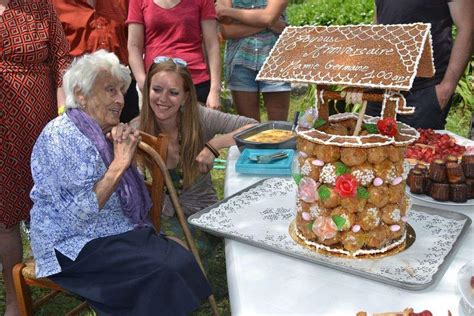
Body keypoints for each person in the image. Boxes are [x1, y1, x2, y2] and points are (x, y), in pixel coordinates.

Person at [29, 50, 211, 315]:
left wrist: (122, 150)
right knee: (159, 272)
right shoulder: (61, 137)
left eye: (121, 91)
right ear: (81, 94)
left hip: (113, 229)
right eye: (110, 90)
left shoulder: (101, 132)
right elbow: (77, 216)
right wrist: (119, 163)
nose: (119, 99)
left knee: (179, 259)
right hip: (71, 243)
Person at [135, 56, 256, 262]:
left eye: (173, 93)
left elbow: (254, 127)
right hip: (160, 213)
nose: (163, 99)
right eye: (156, 89)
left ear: (185, 97)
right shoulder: (138, 128)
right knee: (148, 255)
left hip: (200, 213)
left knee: (175, 257)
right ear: (147, 90)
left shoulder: (199, 118)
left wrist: (215, 145)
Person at [0, 0, 71, 314]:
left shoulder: (39, 5)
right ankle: (15, 297)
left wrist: (63, 118)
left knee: (51, 206)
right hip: (2, 137)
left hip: (40, 127)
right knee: (5, 218)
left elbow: (62, 62)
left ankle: (68, 273)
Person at [366, 0, 473, 129]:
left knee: (419, 148)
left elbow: (468, 28)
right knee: (372, 146)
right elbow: (379, 21)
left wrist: (446, 89)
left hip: (423, 92)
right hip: (380, 89)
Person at [50, 0, 140, 123]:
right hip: (83, 91)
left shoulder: (124, 2)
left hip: (122, 88)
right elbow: (55, 56)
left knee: (128, 137)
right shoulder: (55, 4)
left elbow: (135, 44)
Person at [127, 0, 222, 109]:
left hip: (194, 82)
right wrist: (142, 81)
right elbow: (134, 46)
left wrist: (215, 90)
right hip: (156, 85)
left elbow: (212, 45)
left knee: (197, 125)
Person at [216, 0, 291, 122]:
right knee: (249, 127)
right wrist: (267, 22)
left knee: (279, 127)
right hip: (240, 61)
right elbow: (225, 30)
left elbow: (268, 17)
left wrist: (228, 12)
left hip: (276, 61)